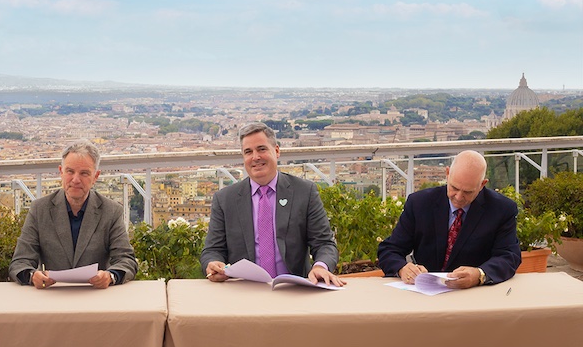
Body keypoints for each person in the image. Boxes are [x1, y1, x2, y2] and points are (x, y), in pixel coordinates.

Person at [200, 122, 344, 286]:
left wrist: (320, 266)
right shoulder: (225, 199)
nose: (255, 157)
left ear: (276, 151)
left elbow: (324, 243)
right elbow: (212, 250)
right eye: (248, 152)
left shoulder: (304, 192)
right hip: (243, 290)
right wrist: (213, 263)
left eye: (261, 149)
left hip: (293, 290)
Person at [377, 150, 521, 289]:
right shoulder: (420, 203)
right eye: (454, 188)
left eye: (467, 192)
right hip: (424, 292)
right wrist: (402, 268)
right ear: (447, 174)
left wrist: (479, 274)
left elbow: (509, 256)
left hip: (473, 294)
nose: (458, 197)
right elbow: (389, 249)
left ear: (482, 184)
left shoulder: (502, 209)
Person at [9, 139, 137, 289]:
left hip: (96, 297)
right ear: (61, 172)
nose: (76, 180)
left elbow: (126, 259)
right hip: (53, 295)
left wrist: (110, 276)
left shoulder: (111, 211)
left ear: (95, 177)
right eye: (70, 171)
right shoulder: (40, 209)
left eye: (84, 173)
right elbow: (19, 262)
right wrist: (32, 276)